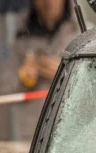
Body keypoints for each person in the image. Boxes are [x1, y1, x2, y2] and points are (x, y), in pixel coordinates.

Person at [6, 0, 80, 139]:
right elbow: (6, 87)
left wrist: (66, 74)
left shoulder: (81, 31)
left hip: (71, 129)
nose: (48, 2)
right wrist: (24, 79)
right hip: (33, 132)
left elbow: (95, 83)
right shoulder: (22, 38)